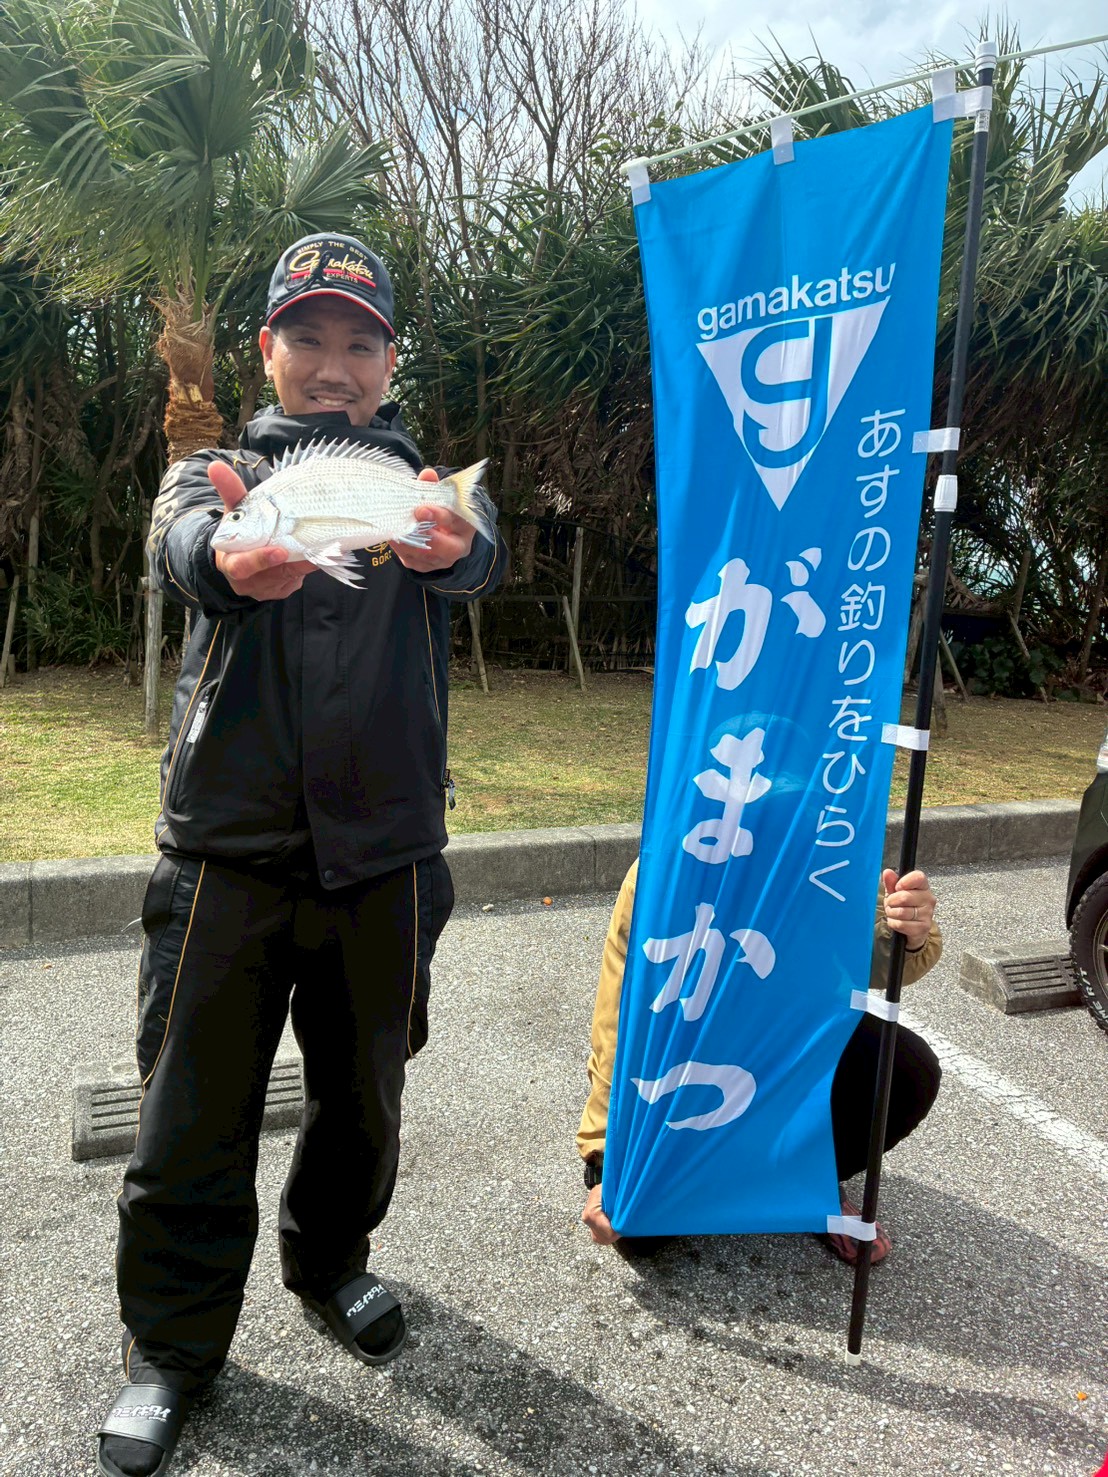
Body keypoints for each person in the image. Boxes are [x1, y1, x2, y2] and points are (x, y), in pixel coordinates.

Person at [96, 233, 506, 1477]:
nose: (335, 365)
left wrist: (458, 547)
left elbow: (476, 557)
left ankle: (330, 1263)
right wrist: (223, 558)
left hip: (389, 853)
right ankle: (172, 1351)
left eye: (360, 343)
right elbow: (182, 550)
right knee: (189, 1113)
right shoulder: (214, 472)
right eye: (310, 338)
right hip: (226, 849)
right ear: (266, 349)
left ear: (389, 360)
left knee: (364, 1098)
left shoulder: (424, 485)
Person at [578, 860, 942, 1263]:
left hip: (794, 1047)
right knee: (634, 1230)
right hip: (695, 1059)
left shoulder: (832, 845)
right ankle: (736, 1174)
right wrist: (605, 1159)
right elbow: (619, 1017)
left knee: (907, 1070)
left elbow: (878, 960)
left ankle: (810, 1181)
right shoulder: (671, 857)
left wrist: (908, 933)